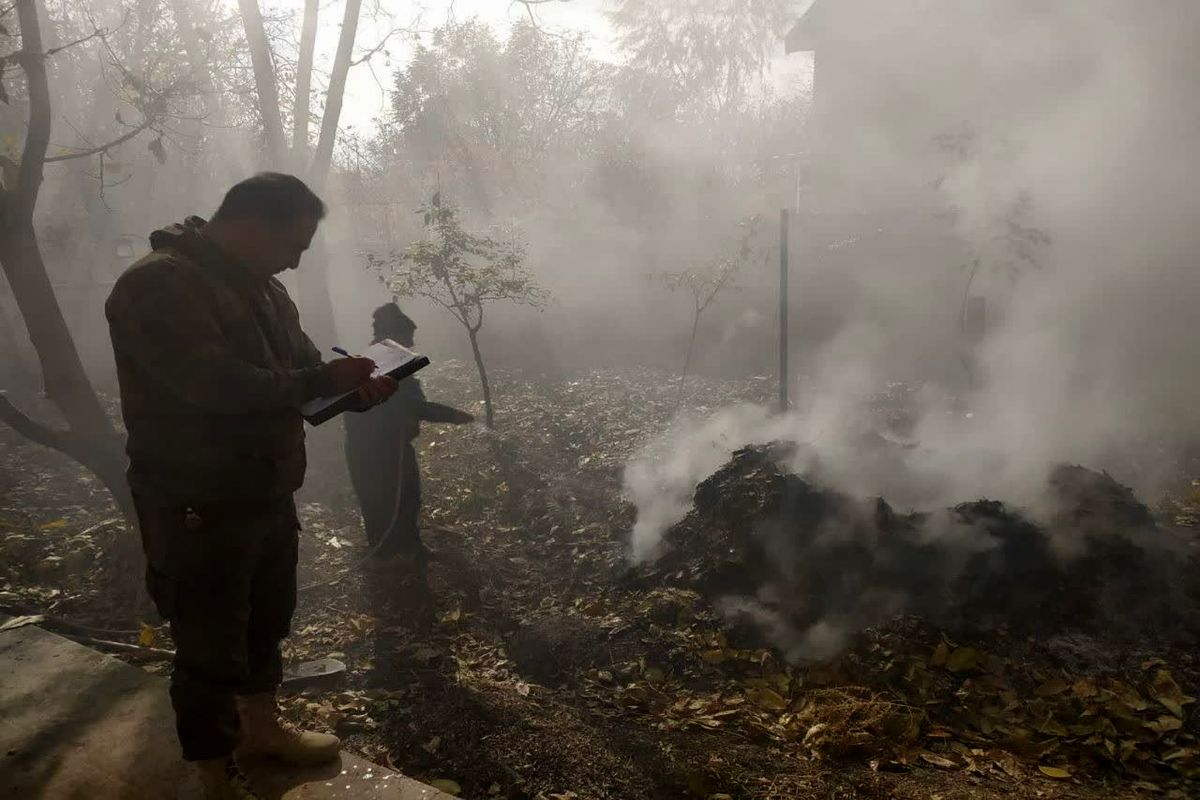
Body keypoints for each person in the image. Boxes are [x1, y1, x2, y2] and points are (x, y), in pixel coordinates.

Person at [105, 173, 398, 800]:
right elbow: (212, 385)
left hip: (265, 491)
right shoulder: (158, 284)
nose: (295, 260)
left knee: (266, 623)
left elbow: (299, 368)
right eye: (291, 244)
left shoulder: (264, 289)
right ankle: (214, 775)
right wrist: (318, 377)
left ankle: (261, 731)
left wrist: (351, 389)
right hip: (196, 501)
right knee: (209, 644)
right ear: (251, 225)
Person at [344, 303, 474, 565]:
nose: (411, 344)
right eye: (407, 339)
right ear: (392, 337)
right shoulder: (376, 365)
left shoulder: (379, 360)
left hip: (389, 445)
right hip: (375, 448)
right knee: (381, 500)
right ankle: (385, 555)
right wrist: (452, 415)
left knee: (407, 496)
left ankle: (410, 547)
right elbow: (412, 405)